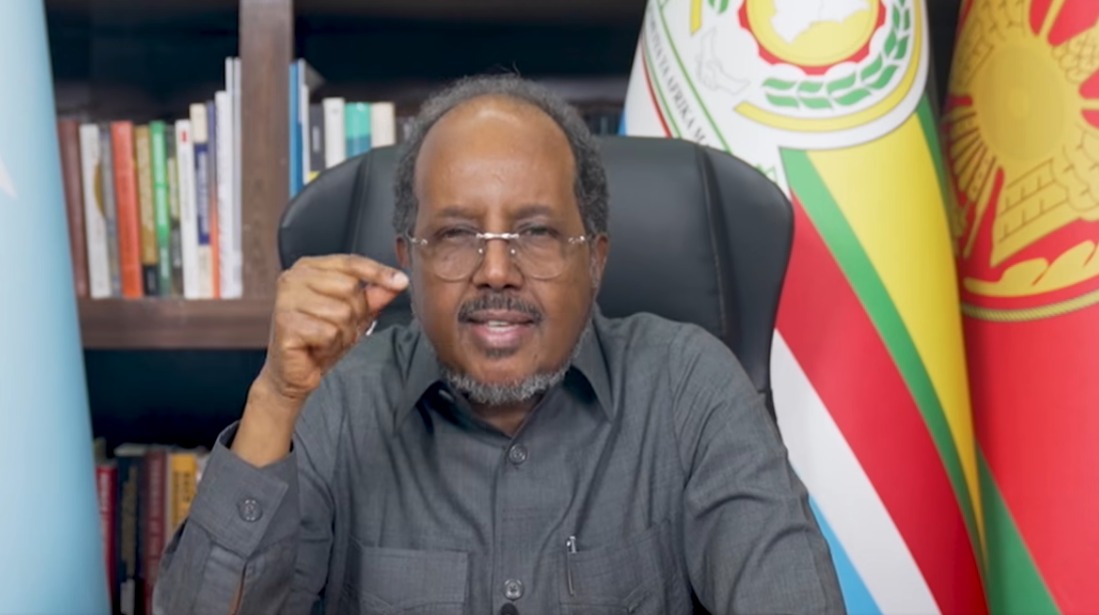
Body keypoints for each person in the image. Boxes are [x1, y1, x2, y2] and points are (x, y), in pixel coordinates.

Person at [153, 74, 845, 615]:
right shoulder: (338, 399)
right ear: (409, 258)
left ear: (595, 259)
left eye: (535, 232)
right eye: (457, 234)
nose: (494, 270)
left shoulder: (688, 386)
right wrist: (276, 398)